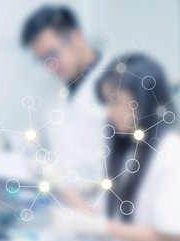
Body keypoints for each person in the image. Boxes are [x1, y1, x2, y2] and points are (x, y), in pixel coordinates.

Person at [55, 54, 180, 241]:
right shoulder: (132, 151)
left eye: (116, 102)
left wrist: (98, 226)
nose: (109, 113)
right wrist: (62, 186)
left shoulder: (174, 152)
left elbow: (171, 240)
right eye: (107, 102)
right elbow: (106, 220)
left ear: (144, 100)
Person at [21, 6, 110, 185]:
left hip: (105, 204)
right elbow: (40, 145)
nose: (49, 66)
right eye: (42, 60)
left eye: (52, 54)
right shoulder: (49, 89)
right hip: (62, 203)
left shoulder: (119, 83)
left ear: (75, 38)